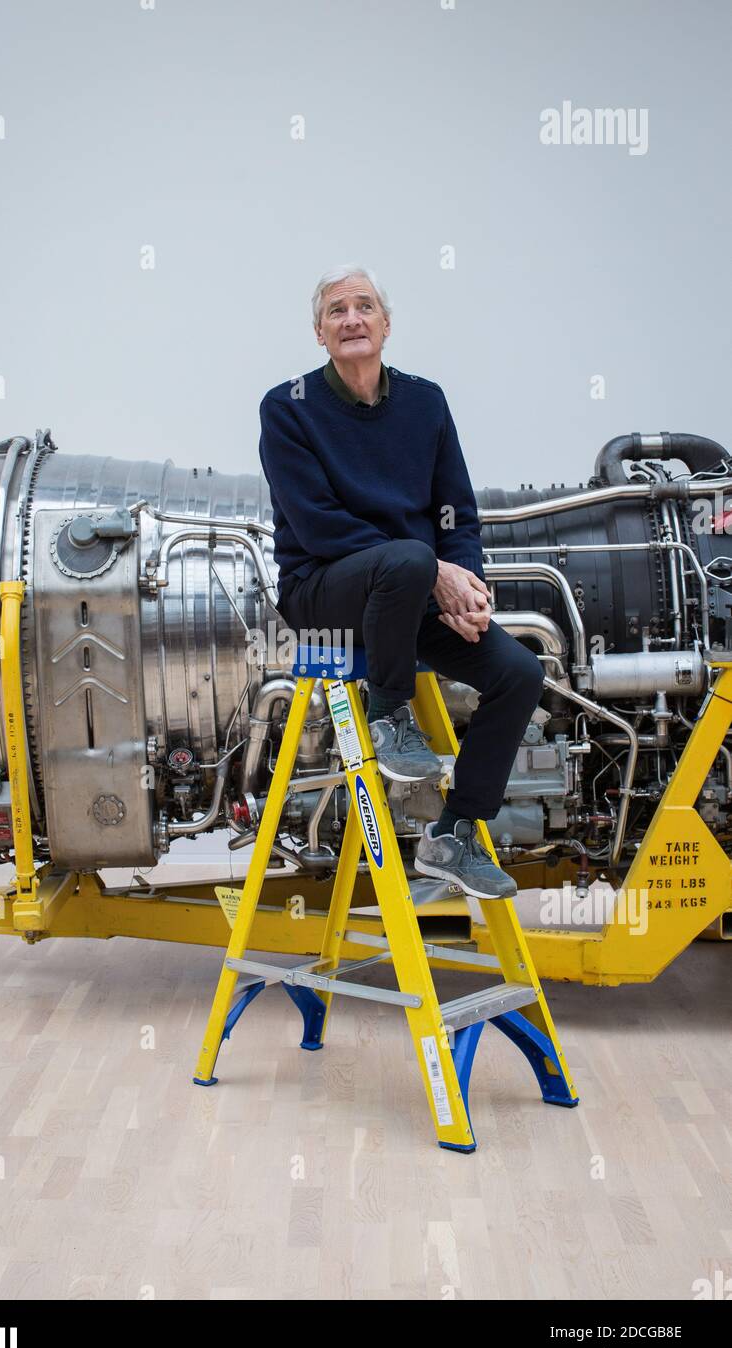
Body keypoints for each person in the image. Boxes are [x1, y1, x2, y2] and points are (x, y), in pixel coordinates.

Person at [258, 265, 545, 898]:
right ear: (319, 333)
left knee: (520, 672)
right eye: (337, 311)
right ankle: (387, 714)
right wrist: (431, 570)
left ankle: (454, 836)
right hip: (323, 592)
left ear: (387, 325)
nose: (352, 319)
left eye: (365, 307)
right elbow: (318, 525)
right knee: (411, 558)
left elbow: (456, 512)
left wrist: (464, 584)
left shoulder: (426, 401)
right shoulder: (287, 408)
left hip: (412, 592)